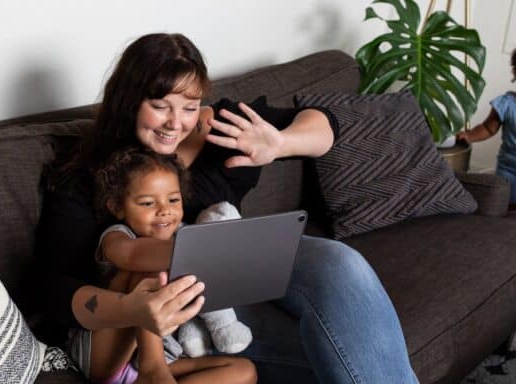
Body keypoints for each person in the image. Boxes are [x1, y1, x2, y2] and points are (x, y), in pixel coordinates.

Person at [36, 33, 418, 383]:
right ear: (128, 102)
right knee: (340, 362)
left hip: (230, 297)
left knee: (340, 264)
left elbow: (328, 125)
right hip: (145, 323)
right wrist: (135, 308)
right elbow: (56, 293)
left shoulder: (221, 127)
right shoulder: (87, 175)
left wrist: (280, 143)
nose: (176, 123)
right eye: (159, 106)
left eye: (189, 106)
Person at [78, 145, 256, 384]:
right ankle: (152, 369)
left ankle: (154, 373)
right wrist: (204, 250)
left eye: (173, 199)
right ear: (117, 207)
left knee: (244, 371)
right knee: (152, 270)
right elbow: (131, 255)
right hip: (108, 356)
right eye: (148, 203)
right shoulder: (118, 235)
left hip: (168, 361)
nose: (165, 210)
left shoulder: (185, 234)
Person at [457, 48, 516, 207]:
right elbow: (488, 128)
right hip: (508, 170)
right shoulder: (506, 104)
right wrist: (470, 135)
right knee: (502, 202)